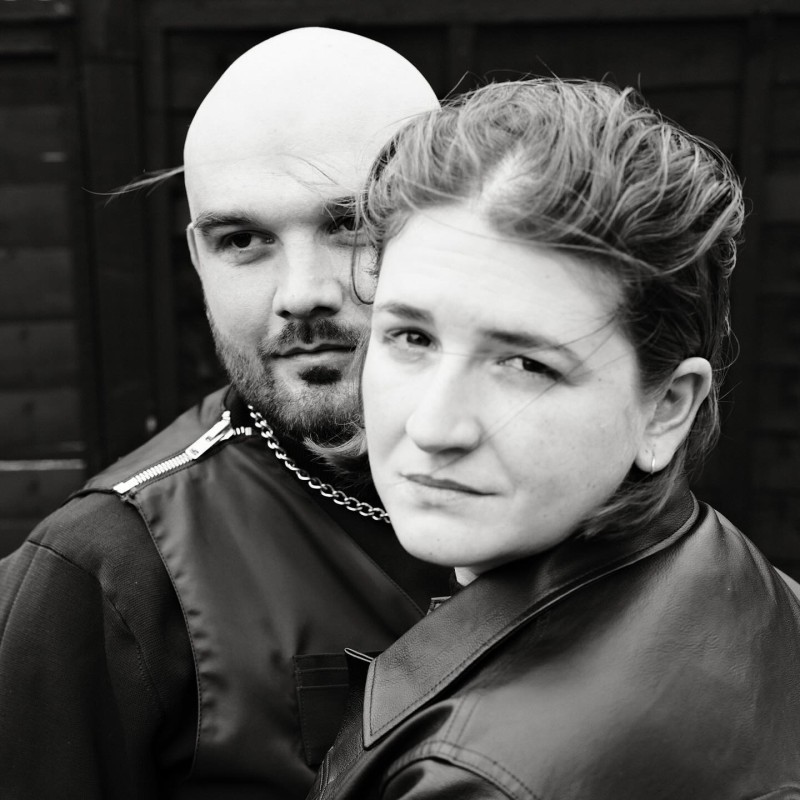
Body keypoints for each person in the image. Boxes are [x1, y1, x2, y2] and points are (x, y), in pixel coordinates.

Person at [308, 79, 800, 799]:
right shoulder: (759, 594)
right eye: (411, 337)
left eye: (526, 365)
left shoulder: (477, 778)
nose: (433, 427)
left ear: (666, 409)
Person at [0, 28, 451, 800]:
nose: (301, 293)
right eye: (243, 239)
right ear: (198, 259)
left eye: (350, 223)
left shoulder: (586, 486)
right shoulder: (105, 574)